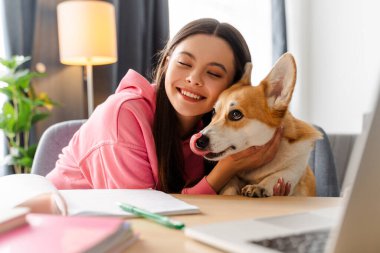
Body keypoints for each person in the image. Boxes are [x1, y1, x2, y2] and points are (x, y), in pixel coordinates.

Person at [46, 18, 287, 195]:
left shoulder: (213, 131)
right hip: (60, 230)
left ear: (233, 87)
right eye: (184, 63)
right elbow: (146, 216)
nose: (194, 78)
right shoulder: (122, 117)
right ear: (167, 61)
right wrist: (225, 171)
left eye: (213, 73)